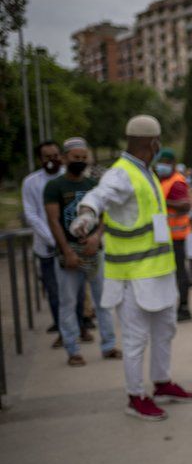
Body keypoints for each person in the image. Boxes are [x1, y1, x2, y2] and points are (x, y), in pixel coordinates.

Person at [71, 115, 192, 421]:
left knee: (165, 330)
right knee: (135, 338)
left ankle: (162, 383)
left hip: (158, 271)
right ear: (152, 143)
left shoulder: (146, 171)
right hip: (132, 276)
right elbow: (99, 196)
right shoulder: (122, 174)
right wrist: (87, 215)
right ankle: (135, 396)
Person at [42, 137, 119, 366]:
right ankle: (73, 350)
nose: (80, 162)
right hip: (69, 253)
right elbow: (54, 220)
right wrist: (67, 251)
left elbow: (106, 214)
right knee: (68, 302)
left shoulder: (93, 185)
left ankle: (108, 345)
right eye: (76, 158)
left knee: (103, 300)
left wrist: (97, 237)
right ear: (65, 158)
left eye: (84, 158)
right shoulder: (54, 187)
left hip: (94, 250)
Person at [22, 140, 85, 347]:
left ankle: (80, 327)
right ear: (40, 159)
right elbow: (31, 214)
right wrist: (52, 238)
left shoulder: (69, 177)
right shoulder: (31, 182)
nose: (53, 160)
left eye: (56, 155)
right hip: (47, 247)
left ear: (62, 156)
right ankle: (63, 331)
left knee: (76, 289)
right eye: (47, 157)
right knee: (54, 291)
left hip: (72, 244)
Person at [155, 148, 192, 322]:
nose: (162, 165)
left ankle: (184, 307)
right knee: (169, 273)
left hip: (176, 235)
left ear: (172, 164)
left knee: (179, 273)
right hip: (164, 235)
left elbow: (185, 205)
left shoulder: (176, 182)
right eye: (161, 162)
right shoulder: (162, 180)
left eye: (166, 162)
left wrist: (162, 202)